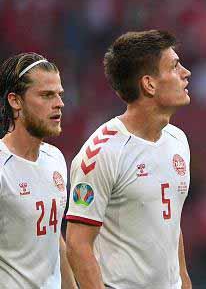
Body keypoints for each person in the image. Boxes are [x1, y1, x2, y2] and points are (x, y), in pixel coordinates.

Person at [65, 30, 193, 288]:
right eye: (175, 66)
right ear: (149, 84)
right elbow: (78, 246)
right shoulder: (100, 153)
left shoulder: (178, 140)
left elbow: (170, 226)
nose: (186, 73)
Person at [0, 53, 77, 289]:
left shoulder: (55, 159)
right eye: (46, 95)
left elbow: (54, 238)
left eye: (59, 95)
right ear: (16, 101)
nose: (59, 103)